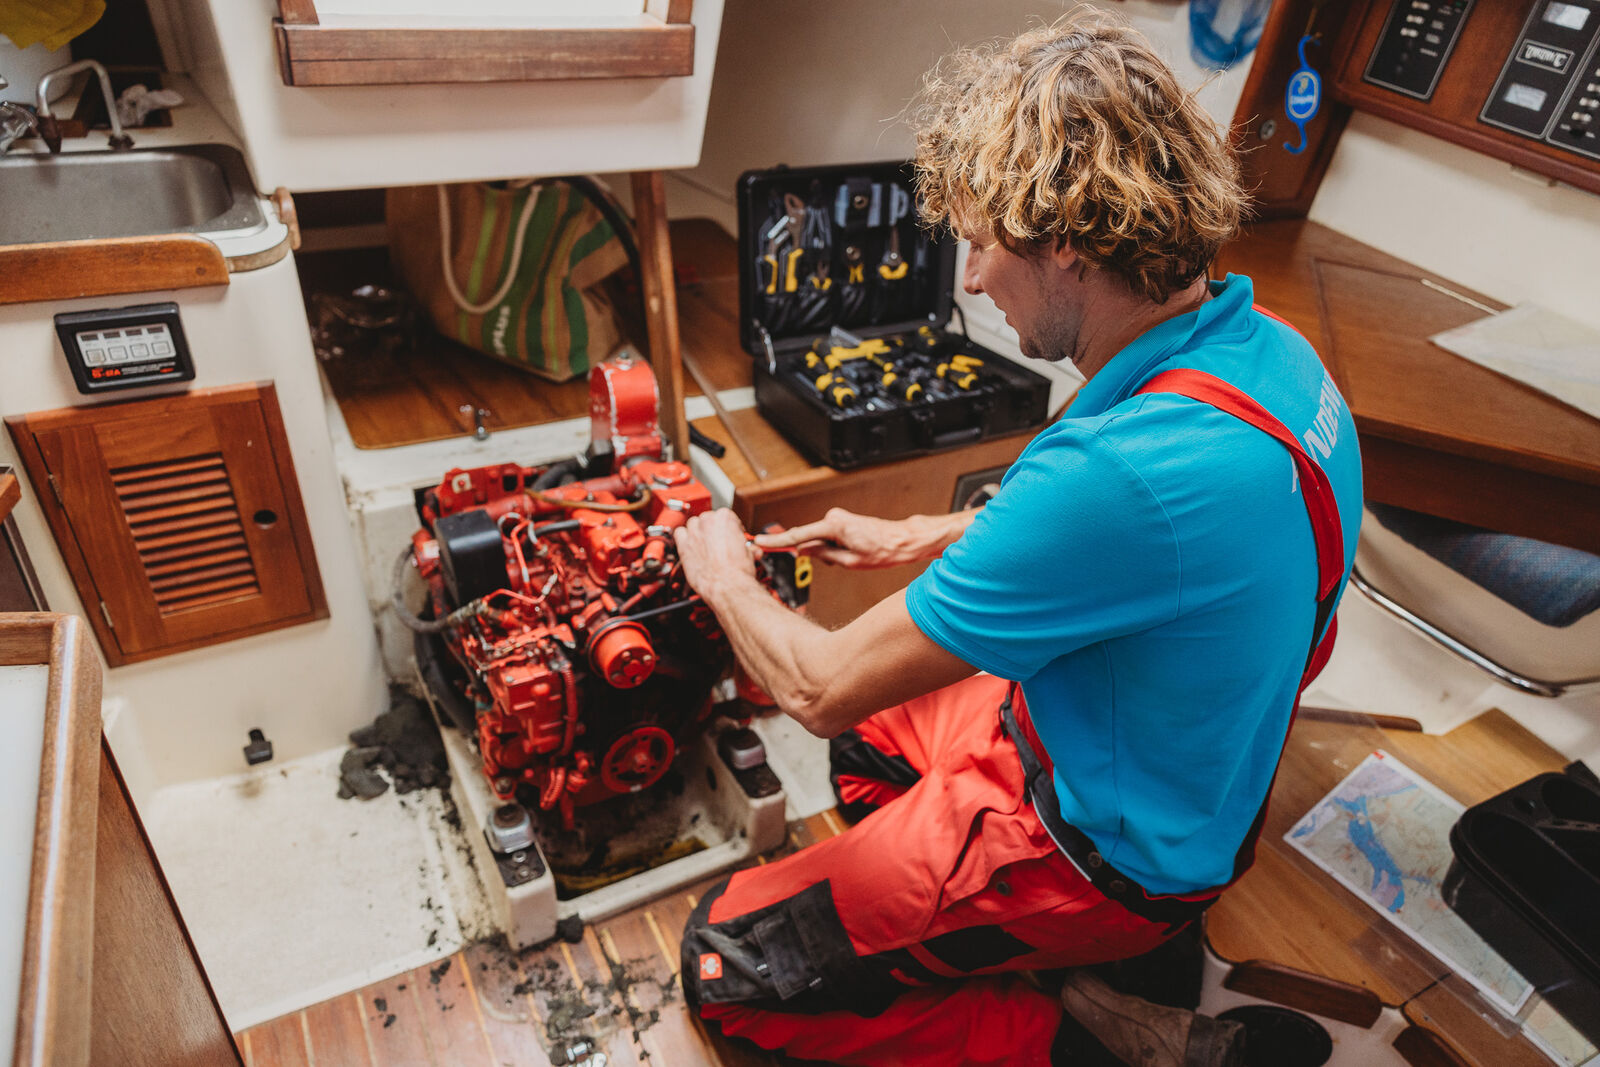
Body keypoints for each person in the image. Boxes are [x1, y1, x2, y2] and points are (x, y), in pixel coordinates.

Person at [672, 11, 1363, 1066]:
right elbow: (1168, 548)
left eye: (985, 242)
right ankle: (977, 942)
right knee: (875, 748)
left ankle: (1080, 1030)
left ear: (1070, 248)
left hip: (1100, 850)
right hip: (1182, 780)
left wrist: (722, 571)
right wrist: (931, 528)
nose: (970, 276)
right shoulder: (1272, 361)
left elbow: (814, 690)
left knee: (728, 962)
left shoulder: (1111, 477)